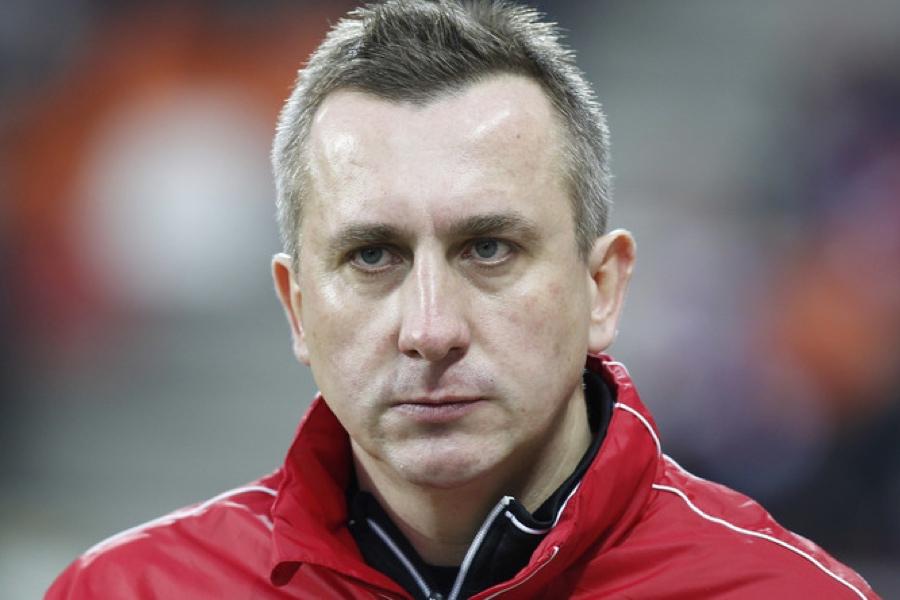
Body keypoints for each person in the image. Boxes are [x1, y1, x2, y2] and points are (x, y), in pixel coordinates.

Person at [47, 1, 878, 598]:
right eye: (372, 255)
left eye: (489, 249)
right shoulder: (127, 590)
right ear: (296, 309)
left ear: (601, 287)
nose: (431, 329)